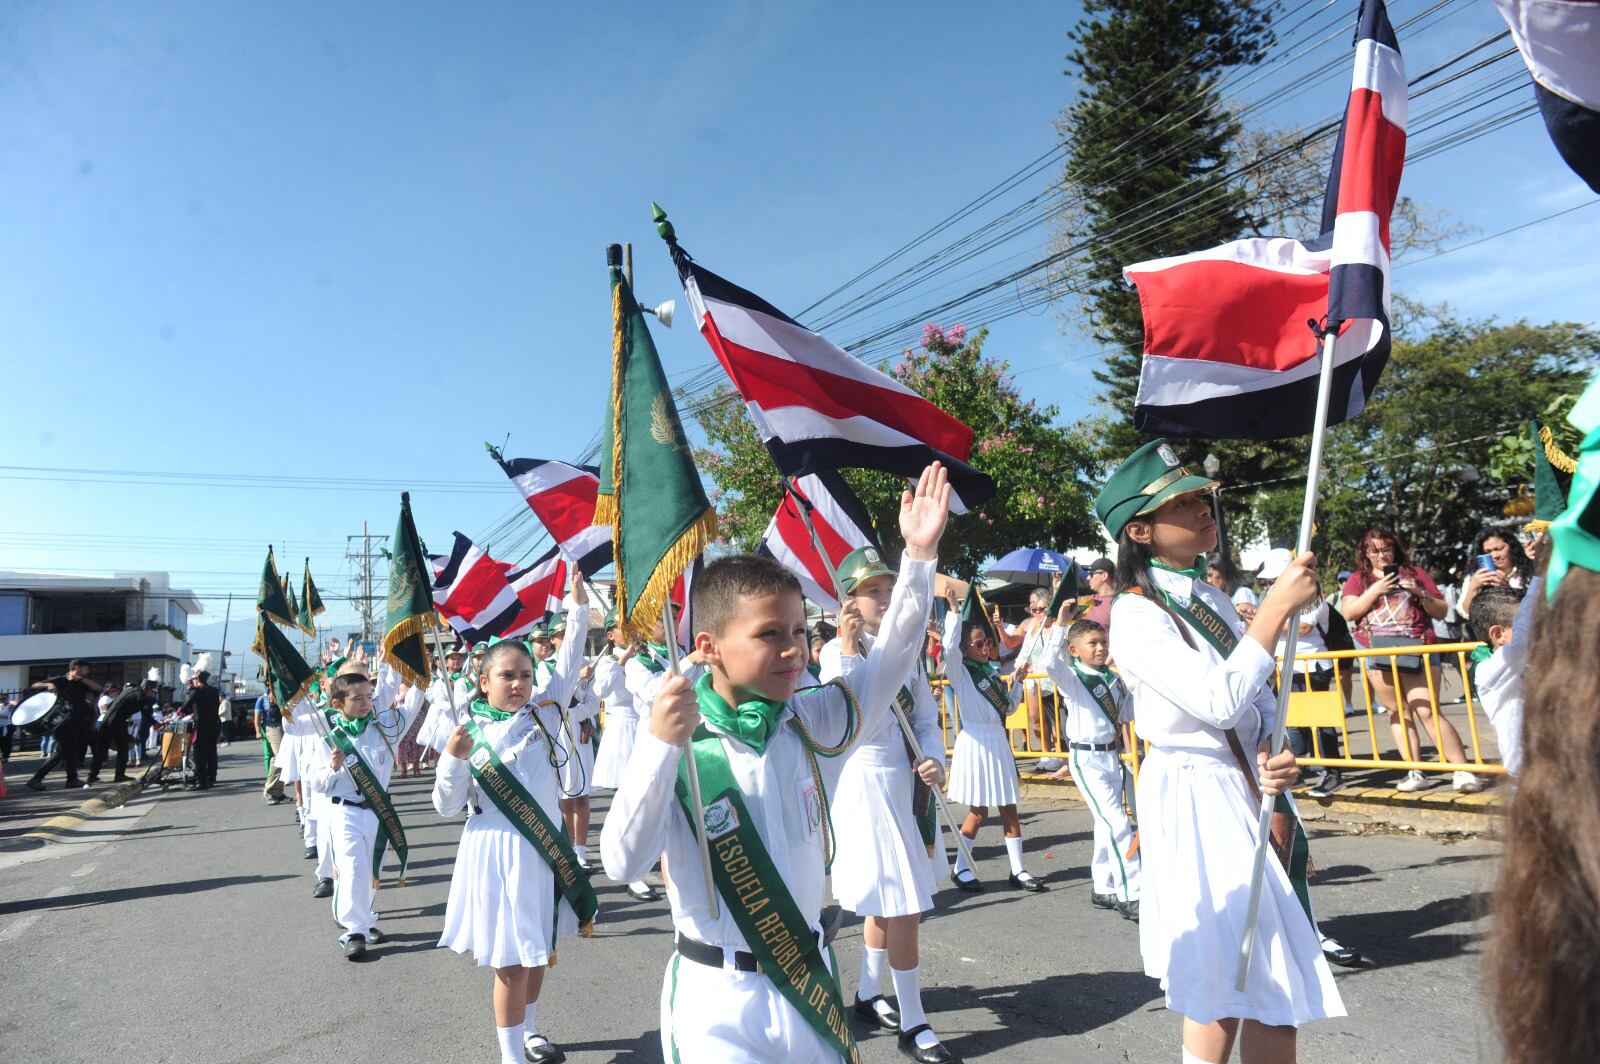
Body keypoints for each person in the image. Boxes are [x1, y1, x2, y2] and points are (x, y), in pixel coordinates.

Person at [601, 463, 949, 1064]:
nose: (795, 650)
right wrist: (657, 747)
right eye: (769, 634)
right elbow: (621, 861)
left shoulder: (813, 720)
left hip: (807, 979)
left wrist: (918, 557)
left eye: (798, 630)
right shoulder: (679, 738)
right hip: (718, 999)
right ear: (707, 647)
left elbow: (893, 657)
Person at [1097, 439, 1343, 1063]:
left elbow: (1255, 703)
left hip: (1240, 785)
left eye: (1201, 495)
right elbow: (1216, 700)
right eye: (1182, 503)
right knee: (1242, 984)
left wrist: (1273, 748)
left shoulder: (1205, 596)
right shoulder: (1134, 614)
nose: (1203, 507)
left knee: (1246, 986)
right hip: (1195, 796)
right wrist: (1277, 611)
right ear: (1142, 530)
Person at [434, 572, 593, 1064]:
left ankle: (529, 1030)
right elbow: (444, 805)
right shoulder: (467, 730)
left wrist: (579, 610)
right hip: (493, 847)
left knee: (538, 946)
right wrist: (454, 757)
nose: (519, 683)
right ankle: (510, 1056)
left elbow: (567, 664)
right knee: (509, 960)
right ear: (484, 682)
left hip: (541, 847)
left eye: (525, 674)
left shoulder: (545, 714)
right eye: (507, 676)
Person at [819, 545, 954, 1063]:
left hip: (908, 786)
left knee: (890, 898)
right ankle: (914, 1022)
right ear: (849, 601)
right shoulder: (836, 652)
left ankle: (867, 994)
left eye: (886, 588)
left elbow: (924, 716)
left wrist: (935, 759)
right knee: (904, 905)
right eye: (871, 590)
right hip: (866, 784)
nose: (882, 597)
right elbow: (842, 717)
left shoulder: (908, 651)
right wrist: (850, 648)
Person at [1340, 528, 1483, 794]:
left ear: (1395, 549)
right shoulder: (1359, 580)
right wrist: (1375, 590)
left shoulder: (1415, 574)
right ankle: (1415, 771)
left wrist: (1421, 593)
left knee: (1427, 710)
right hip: (1378, 653)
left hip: (1418, 649)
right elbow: (1350, 612)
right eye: (1375, 550)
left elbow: (1442, 611)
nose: (1381, 555)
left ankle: (1462, 770)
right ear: (1365, 553)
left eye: (1386, 549)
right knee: (1397, 712)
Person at [303, 659, 425, 959]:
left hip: (376, 811)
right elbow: (316, 783)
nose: (365, 704)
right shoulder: (329, 738)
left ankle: (366, 920)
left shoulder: (384, 729)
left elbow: (412, 706)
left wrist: (420, 671)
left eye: (369, 697)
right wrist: (333, 768)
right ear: (337, 703)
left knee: (372, 871)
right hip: (344, 811)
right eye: (357, 699)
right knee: (353, 868)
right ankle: (352, 930)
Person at [941, 587, 1045, 895]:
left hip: (997, 741)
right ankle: (961, 867)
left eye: (986, 642)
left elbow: (1009, 708)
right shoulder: (961, 673)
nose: (985, 647)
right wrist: (954, 612)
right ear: (965, 649)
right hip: (975, 741)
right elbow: (948, 648)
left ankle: (1019, 869)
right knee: (979, 811)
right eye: (977, 644)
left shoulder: (990, 671)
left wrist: (1018, 682)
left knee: (1009, 807)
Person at [1038, 616, 1140, 919]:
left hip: (1112, 757)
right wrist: (1059, 624)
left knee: (1104, 822)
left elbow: (1128, 713)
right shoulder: (1074, 678)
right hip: (1087, 758)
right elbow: (1048, 662)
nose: (1099, 648)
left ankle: (1103, 885)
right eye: (1092, 643)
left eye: (1103, 642)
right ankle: (1131, 892)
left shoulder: (1112, 678)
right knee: (1118, 824)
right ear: (1075, 649)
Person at [1469, 582, 1532, 777]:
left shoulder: (1531, 658)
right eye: (1528, 625)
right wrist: (1541, 572)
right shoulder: (1488, 670)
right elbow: (1520, 644)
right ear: (1498, 634)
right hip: (1526, 774)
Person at [26, 659, 103, 791]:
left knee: (68, 751)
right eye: (85, 669)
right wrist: (48, 685)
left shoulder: (82, 683)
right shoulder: (61, 680)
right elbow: (34, 685)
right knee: (64, 751)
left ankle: (69, 779)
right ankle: (40, 779)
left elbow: (98, 688)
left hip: (76, 722)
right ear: (77, 668)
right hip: (62, 722)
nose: (87, 672)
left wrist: (80, 679)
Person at [1456, 524, 1533, 619]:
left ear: (1512, 547)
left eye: (1499, 549)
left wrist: (1507, 591)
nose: (1495, 555)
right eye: (1488, 552)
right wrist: (1473, 587)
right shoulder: (1476, 577)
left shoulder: (1530, 572)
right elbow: (1466, 613)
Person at [88, 680, 154, 784]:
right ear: (146, 689)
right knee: (123, 748)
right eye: (151, 691)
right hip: (117, 722)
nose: (151, 694)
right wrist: (155, 723)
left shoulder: (127, 691)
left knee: (101, 748)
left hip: (106, 720)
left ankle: (92, 775)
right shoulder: (140, 695)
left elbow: (110, 705)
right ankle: (119, 775)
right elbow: (145, 712)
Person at [182, 671, 223, 790]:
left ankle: (202, 781)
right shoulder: (214, 691)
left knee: (199, 753)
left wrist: (176, 714)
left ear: (198, 680)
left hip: (200, 725)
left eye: (194, 679)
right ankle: (211, 777)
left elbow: (186, 706)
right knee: (211, 751)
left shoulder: (197, 691)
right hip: (213, 724)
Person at [255, 691, 287, 804]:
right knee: (280, 757)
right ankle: (270, 791)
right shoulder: (265, 697)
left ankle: (278, 791)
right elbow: (257, 715)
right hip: (274, 725)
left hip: (283, 724)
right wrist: (258, 731)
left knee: (282, 758)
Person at [1082, 557, 1115, 634]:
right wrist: (1057, 589)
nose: (1088, 578)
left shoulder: (1119, 603)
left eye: (1091, 574)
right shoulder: (1085, 600)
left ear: (1104, 576)